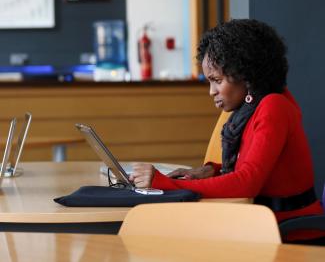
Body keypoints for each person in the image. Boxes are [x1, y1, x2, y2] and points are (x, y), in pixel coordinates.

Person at [129, 19, 325, 244]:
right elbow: (254, 166)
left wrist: (165, 184)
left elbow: (246, 182)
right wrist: (212, 170)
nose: (212, 92)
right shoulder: (252, 108)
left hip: (293, 235)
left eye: (217, 81)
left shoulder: (274, 106)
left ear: (246, 74)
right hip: (265, 227)